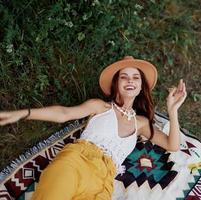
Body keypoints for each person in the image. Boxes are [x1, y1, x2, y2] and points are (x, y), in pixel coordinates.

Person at [0, 56, 187, 200]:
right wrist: (23, 113)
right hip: (76, 163)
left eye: (135, 77)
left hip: (103, 183)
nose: (130, 81)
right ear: (116, 84)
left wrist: (173, 110)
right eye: (124, 77)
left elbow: (172, 145)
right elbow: (64, 114)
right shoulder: (100, 107)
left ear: (140, 87)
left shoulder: (142, 123)